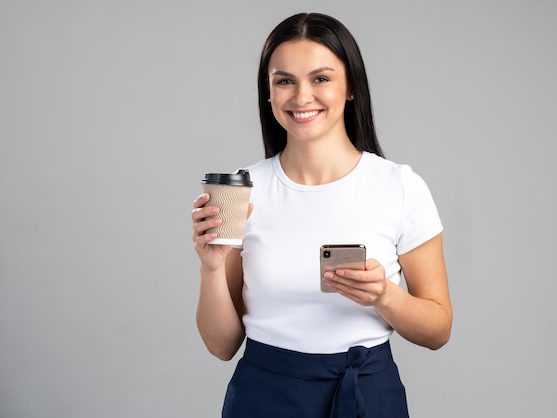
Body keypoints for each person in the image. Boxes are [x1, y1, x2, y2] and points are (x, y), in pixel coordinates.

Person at [191, 12, 452, 418]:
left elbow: (438, 330)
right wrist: (211, 267)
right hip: (263, 398)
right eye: (284, 81)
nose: (301, 96)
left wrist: (385, 295)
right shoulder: (243, 191)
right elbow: (222, 346)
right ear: (268, 92)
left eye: (321, 78)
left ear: (350, 88)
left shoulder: (398, 186)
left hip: (367, 395)